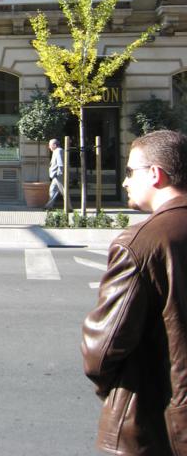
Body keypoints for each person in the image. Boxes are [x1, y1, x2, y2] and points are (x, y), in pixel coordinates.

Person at [81, 129, 187, 456]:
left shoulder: (141, 242)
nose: (125, 181)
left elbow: (101, 350)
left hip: (156, 424)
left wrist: (118, 392)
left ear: (156, 174)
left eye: (130, 172)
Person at [44, 138, 65, 210]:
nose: (49, 147)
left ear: (54, 145)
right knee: (53, 190)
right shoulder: (56, 151)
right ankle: (49, 206)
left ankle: (69, 207)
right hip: (56, 175)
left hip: (58, 175)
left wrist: (59, 174)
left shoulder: (58, 151)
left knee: (63, 191)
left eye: (50, 145)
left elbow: (60, 164)